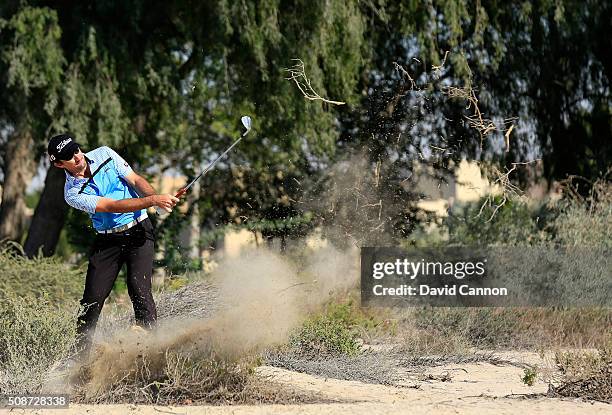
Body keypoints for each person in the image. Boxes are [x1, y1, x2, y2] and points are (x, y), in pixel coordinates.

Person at [47, 134, 179, 357]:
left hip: (139, 230)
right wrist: (154, 201)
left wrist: (157, 199)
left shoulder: (105, 154)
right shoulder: (72, 193)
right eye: (69, 155)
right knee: (92, 299)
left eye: (76, 149)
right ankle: (79, 360)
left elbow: (135, 180)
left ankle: (151, 354)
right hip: (108, 241)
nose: (77, 156)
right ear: (59, 163)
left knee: (139, 289)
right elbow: (112, 206)